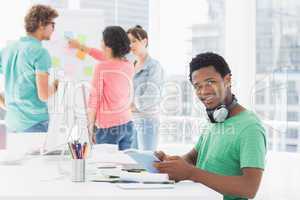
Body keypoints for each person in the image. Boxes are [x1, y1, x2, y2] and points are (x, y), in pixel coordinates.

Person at [154, 52, 266, 200]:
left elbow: (249, 188)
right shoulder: (215, 119)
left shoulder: (250, 127)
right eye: (197, 86)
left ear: (227, 80)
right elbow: (193, 157)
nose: (203, 91)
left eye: (210, 82)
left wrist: (191, 173)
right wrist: (170, 163)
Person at [0, 5, 59, 133]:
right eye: (52, 24)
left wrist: (3, 101)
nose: (53, 29)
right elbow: (43, 95)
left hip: (12, 124)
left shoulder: (7, 49)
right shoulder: (40, 53)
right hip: (34, 124)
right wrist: (56, 86)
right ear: (41, 24)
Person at [86, 26, 135, 150]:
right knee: (124, 167)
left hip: (108, 127)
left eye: (102, 40)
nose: (100, 43)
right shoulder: (129, 65)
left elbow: (94, 98)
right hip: (127, 124)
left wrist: (90, 126)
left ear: (108, 45)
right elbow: (110, 60)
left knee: (105, 167)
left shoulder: (101, 67)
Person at [127, 25, 164, 150]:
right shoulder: (130, 66)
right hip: (131, 119)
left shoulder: (154, 66)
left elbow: (151, 95)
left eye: (134, 41)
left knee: (145, 159)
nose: (130, 45)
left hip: (147, 120)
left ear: (144, 41)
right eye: (128, 42)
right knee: (131, 161)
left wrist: (131, 106)